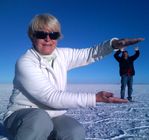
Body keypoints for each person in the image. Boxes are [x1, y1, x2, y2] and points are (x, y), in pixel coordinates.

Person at [3, 13, 144, 140]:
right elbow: (50, 97)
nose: (48, 39)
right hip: (22, 114)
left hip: (53, 114)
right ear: (32, 36)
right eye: (41, 34)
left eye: (53, 35)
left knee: (74, 131)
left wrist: (112, 45)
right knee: (39, 121)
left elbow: (89, 54)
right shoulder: (25, 62)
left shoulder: (62, 55)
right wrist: (95, 98)